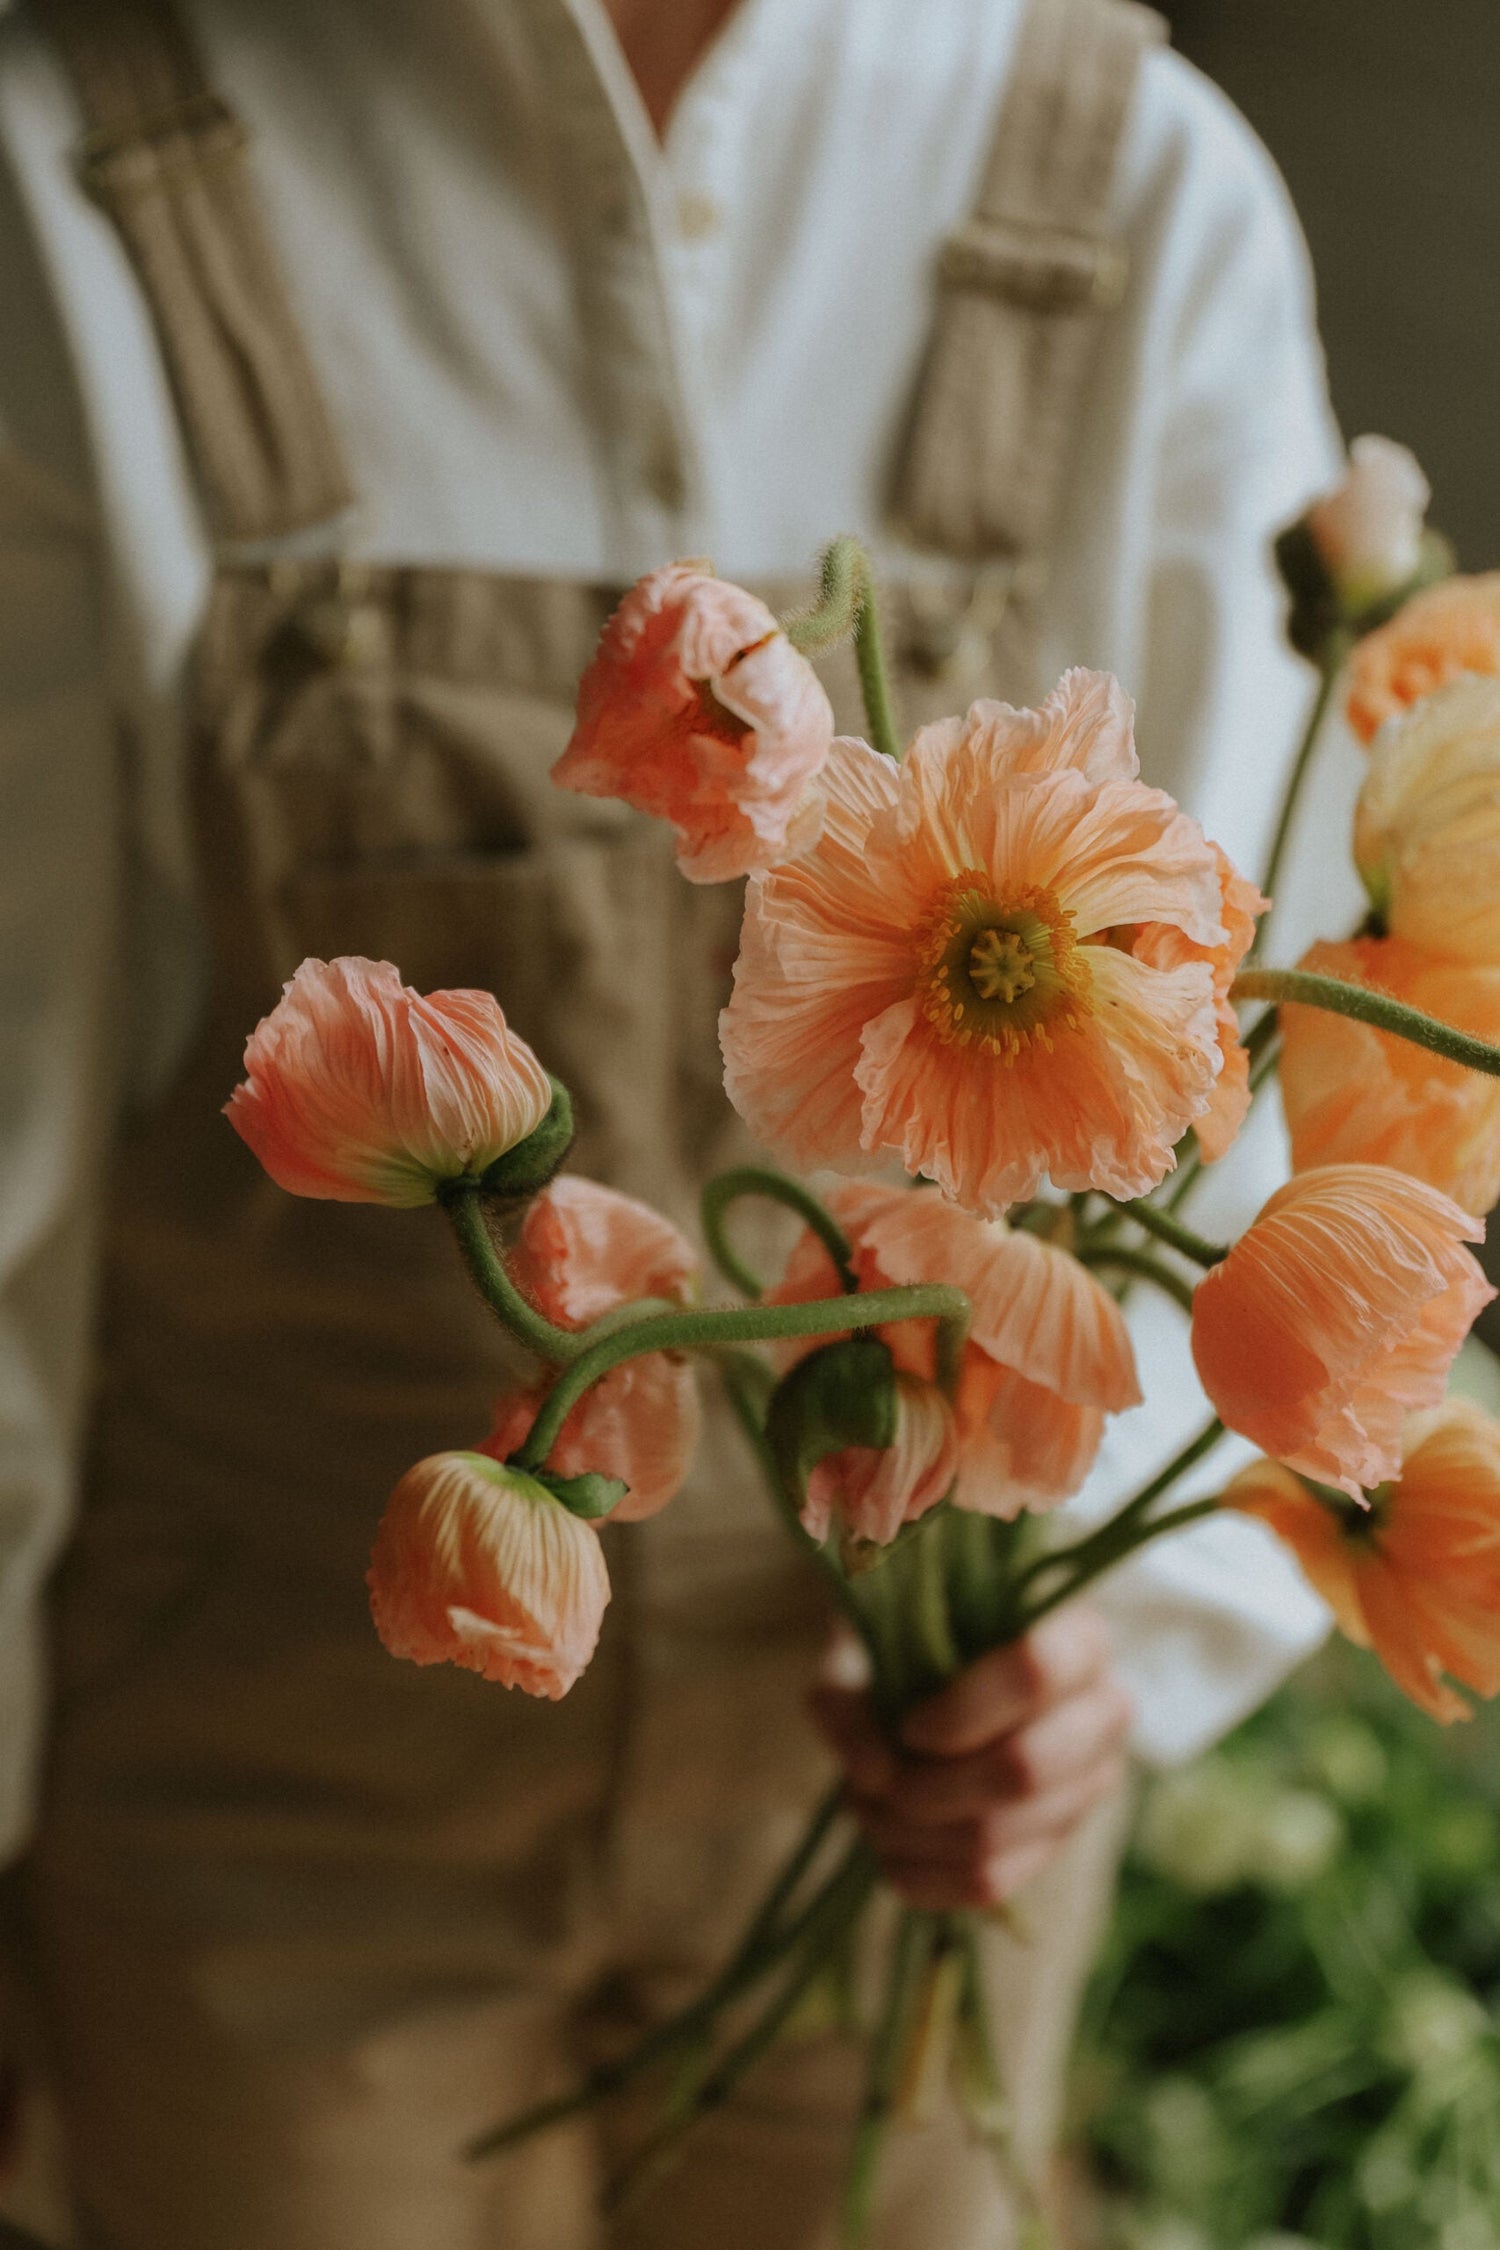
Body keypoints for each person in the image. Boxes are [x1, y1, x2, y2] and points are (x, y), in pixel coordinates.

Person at [0, 0, 1338, 2242]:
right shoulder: (71, 149)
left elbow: (1227, 1084)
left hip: (892, 1807)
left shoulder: (1131, 185)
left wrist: (1103, 1652)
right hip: (261, 1802)